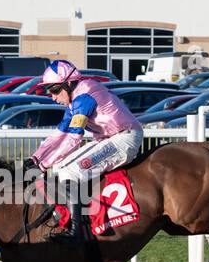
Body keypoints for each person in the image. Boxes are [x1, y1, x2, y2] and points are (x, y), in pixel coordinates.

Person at [26, 60, 143, 241]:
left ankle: (76, 230)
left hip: (125, 138)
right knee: (59, 168)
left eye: (55, 90)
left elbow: (73, 138)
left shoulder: (84, 98)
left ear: (69, 83)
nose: (52, 97)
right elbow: (59, 134)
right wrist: (36, 159)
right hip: (110, 138)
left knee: (69, 171)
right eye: (49, 91)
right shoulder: (75, 101)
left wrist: (42, 166)